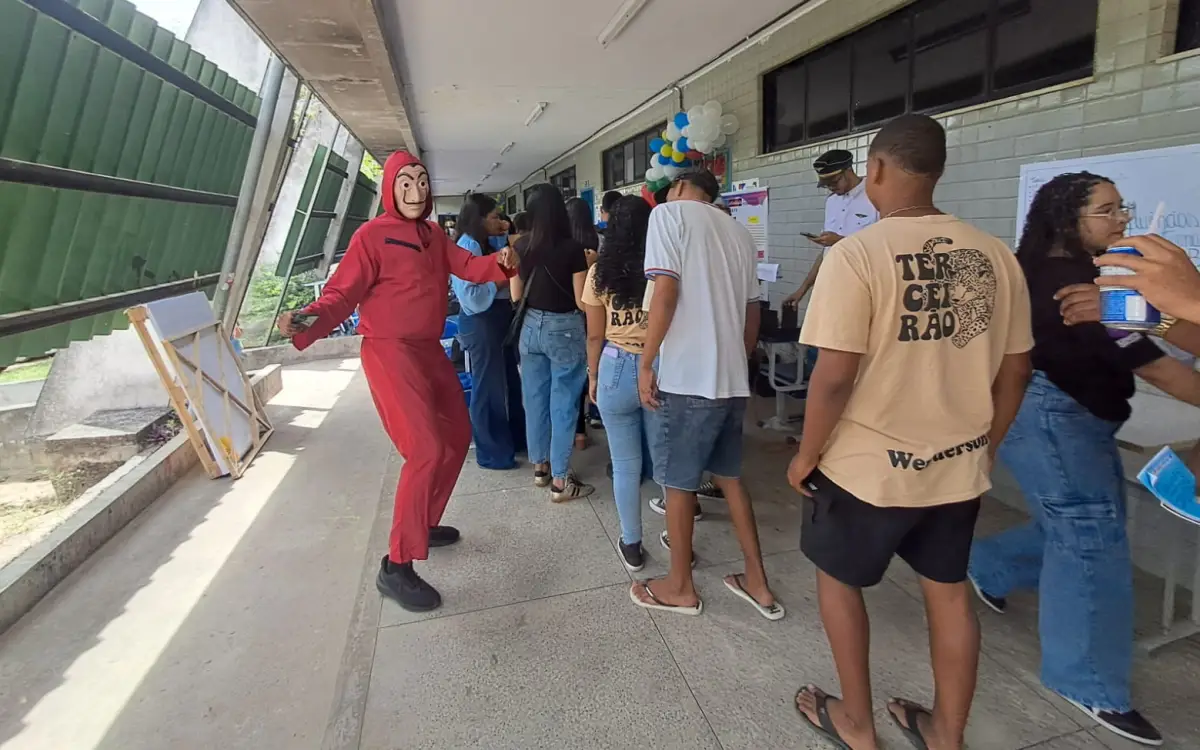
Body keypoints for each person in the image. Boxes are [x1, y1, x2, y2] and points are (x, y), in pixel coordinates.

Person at [787, 114, 1033, 750]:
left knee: (839, 582)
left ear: (874, 170)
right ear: (938, 171)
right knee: (949, 597)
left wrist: (806, 454)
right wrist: (985, 447)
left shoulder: (857, 255)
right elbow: (1017, 371)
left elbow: (833, 377)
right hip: (958, 467)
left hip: (865, 469)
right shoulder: (995, 255)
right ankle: (946, 735)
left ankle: (857, 723)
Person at [967, 173, 1200, 746]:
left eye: (1123, 208)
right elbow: (1156, 367)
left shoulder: (1054, 270)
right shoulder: (1072, 285)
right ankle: (1087, 680)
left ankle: (987, 566)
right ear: (1068, 217)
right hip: (1054, 417)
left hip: (1065, 414)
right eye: (1107, 210)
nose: (1122, 220)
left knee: (1080, 524)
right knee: (1090, 536)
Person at [277, 151, 516, 612]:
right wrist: (306, 318)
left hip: (427, 349)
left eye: (422, 182)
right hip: (389, 351)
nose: (416, 191)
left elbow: (469, 267)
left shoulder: (432, 234)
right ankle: (397, 565)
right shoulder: (371, 236)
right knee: (425, 448)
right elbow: (341, 294)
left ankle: (421, 523)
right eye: (405, 183)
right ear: (390, 188)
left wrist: (503, 263)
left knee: (457, 435)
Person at [632, 167, 782, 621]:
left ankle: (680, 587)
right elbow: (753, 311)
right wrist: (738, 359)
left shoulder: (669, 216)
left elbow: (666, 292)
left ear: (679, 188)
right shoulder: (738, 232)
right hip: (730, 380)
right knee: (731, 478)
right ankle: (757, 582)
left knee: (678, 483)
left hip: (687, 379)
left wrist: (646, 361)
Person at [583, 195, 654, 571]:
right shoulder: (662, 267)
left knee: (626, 465)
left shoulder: (599, 272)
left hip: (615, 367)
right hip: (658, 369)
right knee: (667, 462)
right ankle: (679, 538)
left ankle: (632, 543)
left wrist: (593, 376)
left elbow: (595, 335)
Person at [511, 184, 594, 501]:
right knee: (564, 402)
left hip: (530, 328)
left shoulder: (520, 246)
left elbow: (516, 296)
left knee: (534, 400)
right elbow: (582, 302)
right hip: (565, 329)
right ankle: (560, 481)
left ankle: (540, 468)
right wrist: (592, 266)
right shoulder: (573, 249)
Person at [450, 194, 526, 471]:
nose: (499, 221)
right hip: (481, 321)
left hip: (498, 318)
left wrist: (508, 230)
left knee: (509, 382)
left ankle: (516, 440)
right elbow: (470, 297)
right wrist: (501, 282)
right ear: (479, 219)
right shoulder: (467, 246)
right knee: (489, 388)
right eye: (494, 217)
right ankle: (492, 453)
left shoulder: (489, 242)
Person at [784, 149, 879, 308]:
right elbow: (826, 253)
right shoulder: (832, 202)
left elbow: (883, 248)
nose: (830, 187)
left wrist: (840, 241)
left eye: (834, 182)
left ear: (848, 170)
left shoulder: (874, 195)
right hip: (832, 286)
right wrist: (802, 290)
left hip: (864, 288)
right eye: (826, 184)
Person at [567, 196, 602, 443]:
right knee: (597, 364)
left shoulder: (564, 245)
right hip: (599, 312)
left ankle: (579, 432)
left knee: (574, 375)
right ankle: (599, 413)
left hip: (571, 314)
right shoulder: (599, 241)